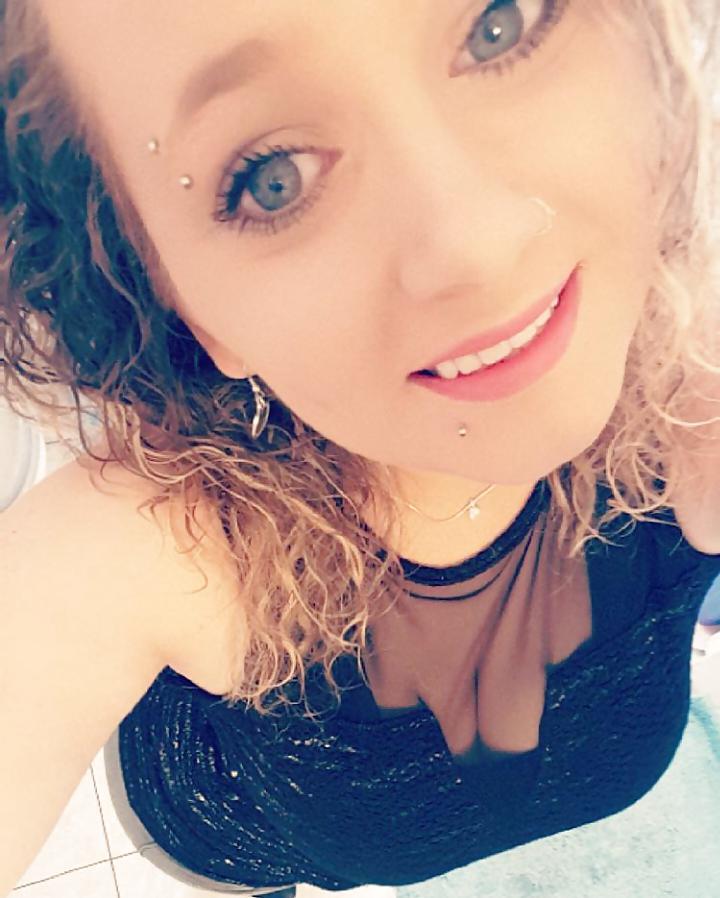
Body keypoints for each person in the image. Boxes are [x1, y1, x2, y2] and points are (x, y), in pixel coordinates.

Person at [2, 1, 720, 895]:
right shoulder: (150, 539)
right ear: (182, 300)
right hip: (242, 838)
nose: (478, 244)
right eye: (274, 179)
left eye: (499, 25)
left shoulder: (692, 371)